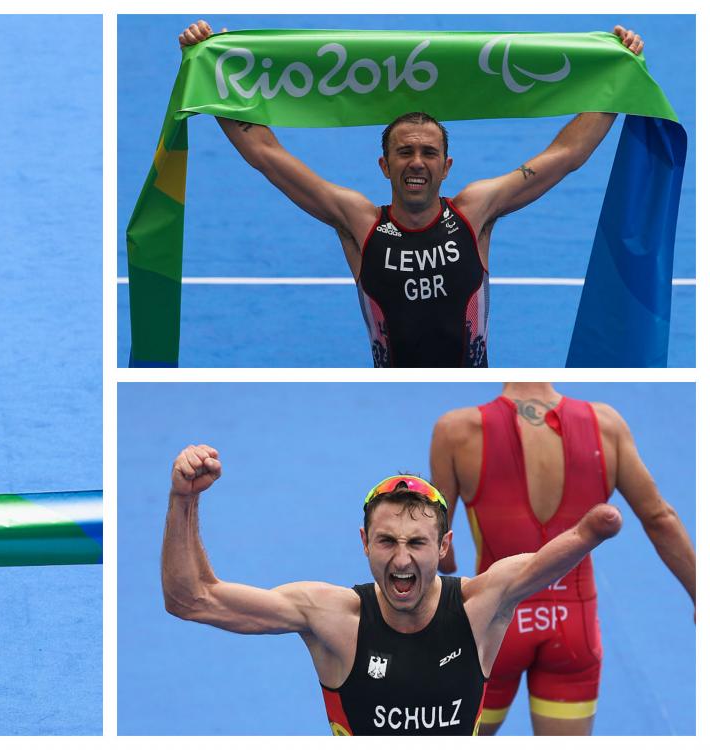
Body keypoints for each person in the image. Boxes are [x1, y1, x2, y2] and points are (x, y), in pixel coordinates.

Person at [177, 21, 645, 367]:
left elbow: (567, 153)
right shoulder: (359, 222)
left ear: (447, 166)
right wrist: (211, 73)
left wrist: (617, 78)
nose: (416, 161)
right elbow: (264, 153)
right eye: (404, 152)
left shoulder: (476, 210)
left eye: (428, 152)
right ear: (385, 165)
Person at [161, 444, 623, 735]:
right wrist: (185, 499)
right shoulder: (332, 618)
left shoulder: (478, 607)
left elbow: (540, 565)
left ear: (443, 547)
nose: (401, 560)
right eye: (387, 541)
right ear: (365, 543)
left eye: (417, 543)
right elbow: (192, 598)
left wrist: (587, 535)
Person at [429, 383, 695, 735]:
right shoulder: (606, 425)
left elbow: (438, 547)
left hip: (492, 623)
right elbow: (660, 518)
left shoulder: (456, 430)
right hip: (573, 625)